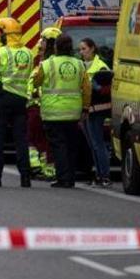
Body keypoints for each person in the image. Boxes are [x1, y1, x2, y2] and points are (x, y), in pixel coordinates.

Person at [34, 35, 91, 188]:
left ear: (56, 47)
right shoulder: (79, 64)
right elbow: (86, 89)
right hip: (73, 112)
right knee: (71, 146)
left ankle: (62, 178)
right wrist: (85, 108)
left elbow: (36, 81)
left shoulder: (47, 64)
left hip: (52, 112)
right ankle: (70, 178)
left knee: (58, 146)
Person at [0, 17, 34, 188]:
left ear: (5, 35)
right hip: (21, 99)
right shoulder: (29, 53)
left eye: (0, 33)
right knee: (21, 138)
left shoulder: (0, 52)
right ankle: (25, 177)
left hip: (3, 96)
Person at [27, 27, 61, 181]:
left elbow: (40, 83)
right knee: (36, 138)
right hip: (37, 106)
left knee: (44, 140)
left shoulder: (49, 63)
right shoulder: (38, 60)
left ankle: (47, 169)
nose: (41, 44)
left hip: (44, 106)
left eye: (44, 41)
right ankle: (37, 167)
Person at [79, 37, 111, 187]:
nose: (81, 52)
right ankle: (98, 174)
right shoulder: (81, 66)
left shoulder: (101, 67)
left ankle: (104, 176)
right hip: (85, 110)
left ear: (92, 49)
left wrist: (91, 87)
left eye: (84, 49)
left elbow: (103, 91)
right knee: (92, 145)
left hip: (96, 111)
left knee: (98, 144)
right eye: (80, 49)